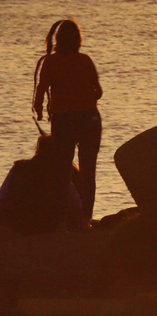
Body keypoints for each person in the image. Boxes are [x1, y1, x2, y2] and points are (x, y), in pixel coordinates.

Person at [31, 19, 102, 225]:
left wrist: (40, 110)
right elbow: (98, 91)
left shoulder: (50, 62)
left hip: (64, 120)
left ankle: (61, 220)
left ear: (58, 39)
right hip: (89, 118)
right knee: (88, 171)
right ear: (78, 40)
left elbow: (41, 91)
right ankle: (85, 219)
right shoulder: (85, 60)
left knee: (62, 172)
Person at [0, 134, 83, 236]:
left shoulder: (19, 167)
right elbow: (75, 204)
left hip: (15, 223)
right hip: (47, 224)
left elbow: (2, 197)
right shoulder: (60, 172)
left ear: (38, 150)